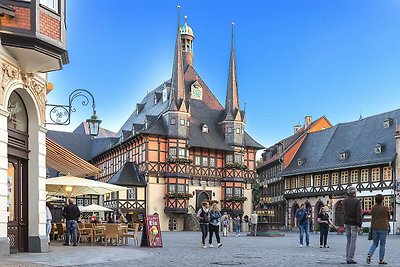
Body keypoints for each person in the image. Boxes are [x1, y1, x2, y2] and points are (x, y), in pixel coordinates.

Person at [366, 194, 390, 265]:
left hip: (375, 227)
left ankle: (369, 254)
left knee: (374, 243)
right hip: (383, 227)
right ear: (382, 200)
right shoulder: (386, 208)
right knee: (382, 244)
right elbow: (389, 216)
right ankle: (381, 260)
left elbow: (372, 216)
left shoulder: (373, 208)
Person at [343, 186, 362, 264]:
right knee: (353, 241)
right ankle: (350, 258)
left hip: (346, 222)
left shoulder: (344, 201)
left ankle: (347, 256)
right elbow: (358, 214)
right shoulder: (357, 201)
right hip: (354, 223)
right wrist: (359, 224)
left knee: (348, 241)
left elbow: (343, 212)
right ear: (355, 192)